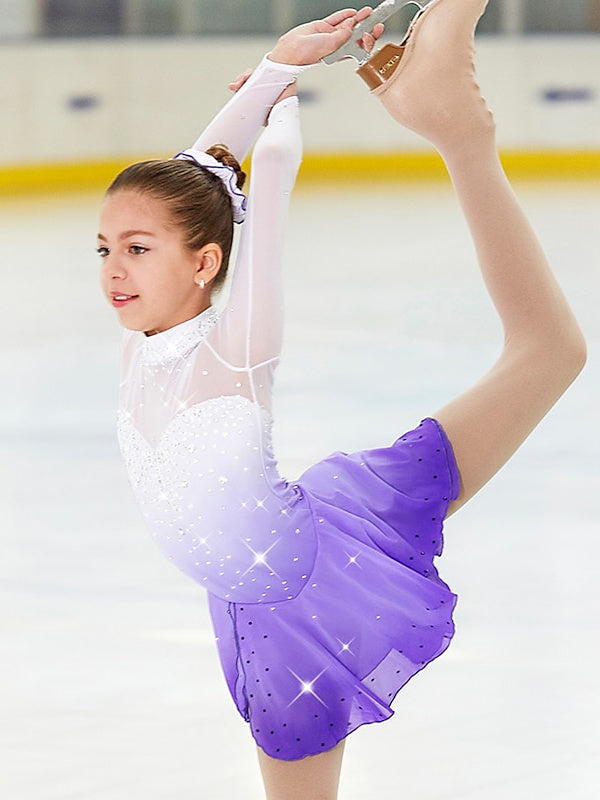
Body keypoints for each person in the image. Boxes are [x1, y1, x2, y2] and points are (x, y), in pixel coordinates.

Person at [98, 2, 586, 798]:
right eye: (106, 248)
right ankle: (443, 113)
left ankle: (460, 134)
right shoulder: (143, 342)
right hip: (270, 581)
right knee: (549, 352)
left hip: (303, 593)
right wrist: (275, 69)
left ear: (205, 262)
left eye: (137, 249)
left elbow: (259, 191)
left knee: (549, 351)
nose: (113, 269)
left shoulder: (237, 349)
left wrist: (279, 113)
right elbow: (195, 180)